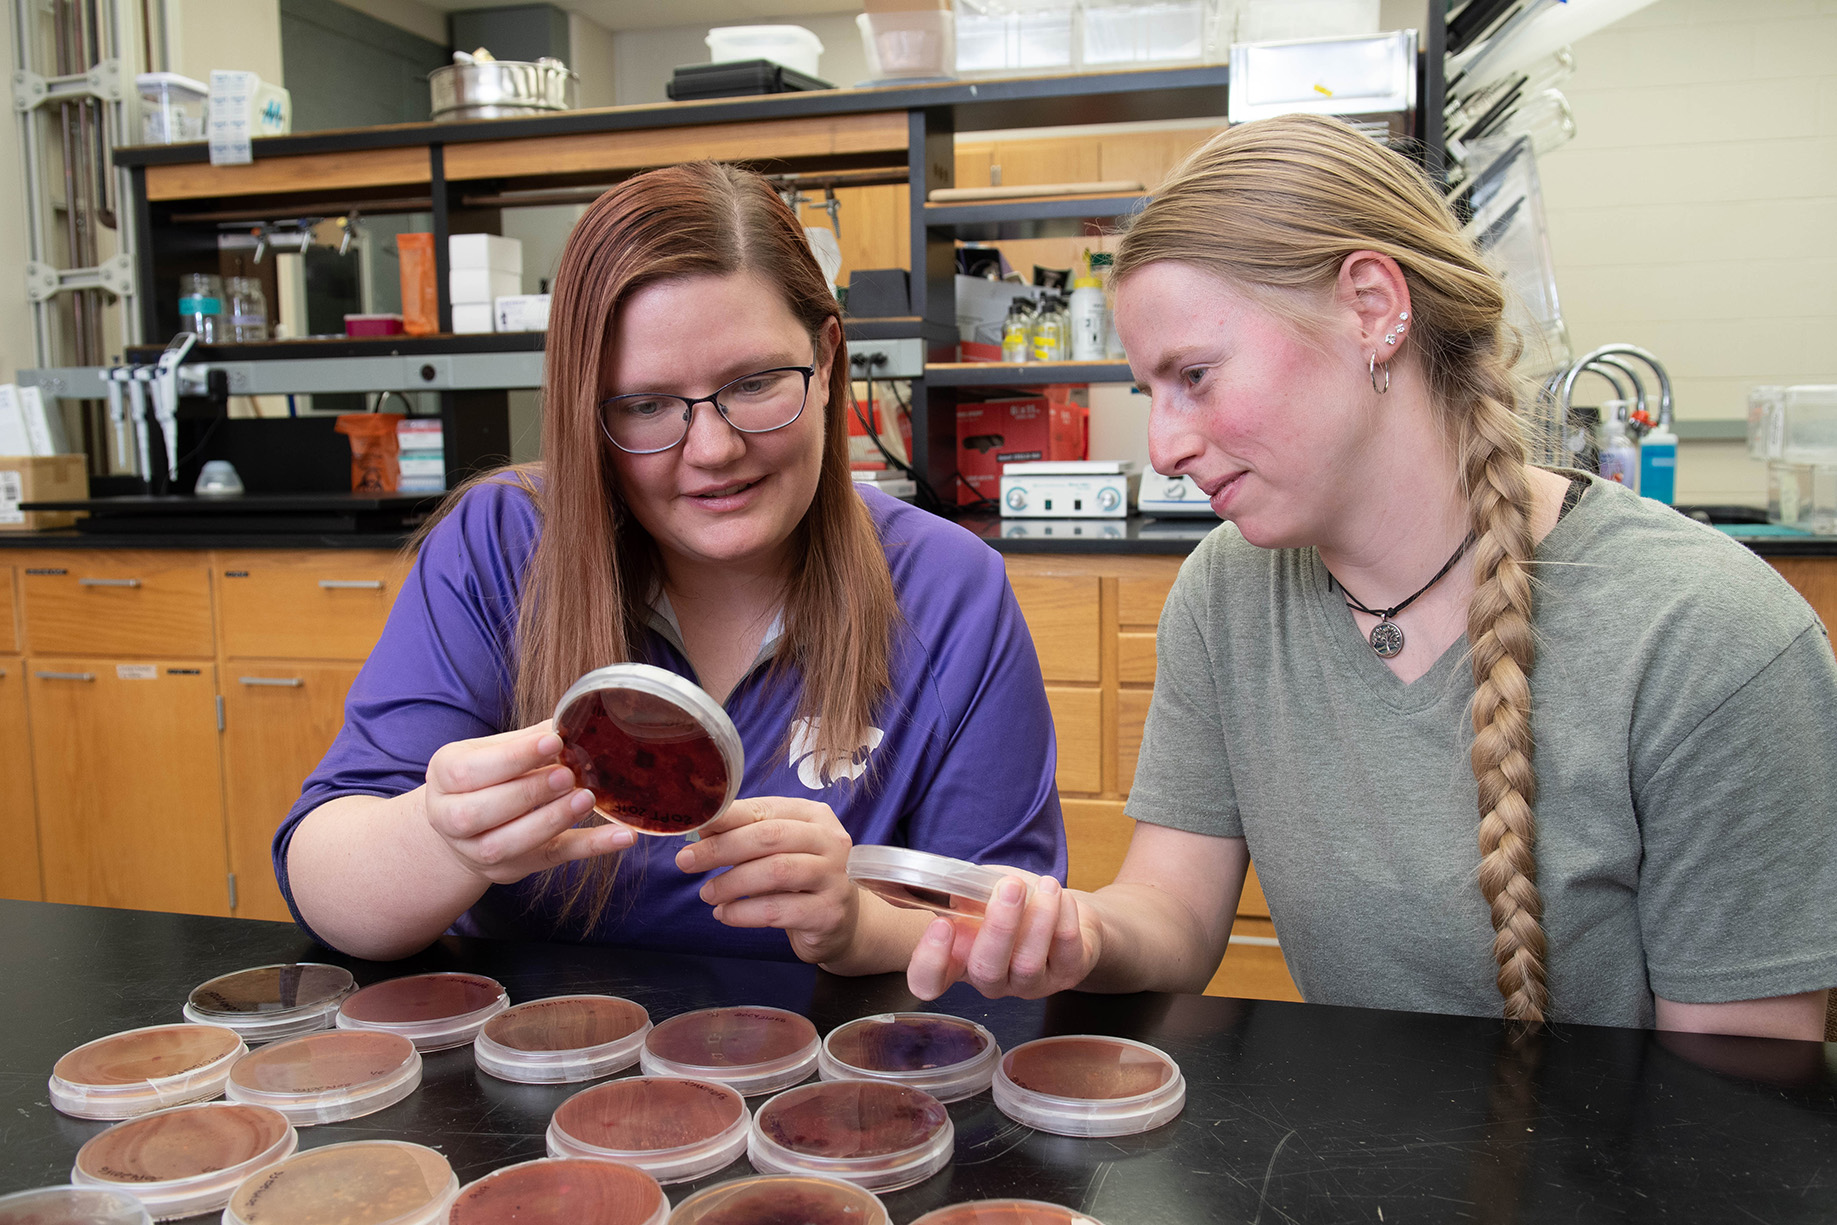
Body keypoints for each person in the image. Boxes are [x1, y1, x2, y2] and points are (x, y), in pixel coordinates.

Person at [907, 114, 1837, 1039]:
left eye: (1195, 374)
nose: (1165, 447)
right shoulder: (1227, 594)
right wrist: (1079, 933)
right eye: (1147, 393)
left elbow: (1733, 1114)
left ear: (1370, 306)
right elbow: (1176, 919)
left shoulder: (1713, 640)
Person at [279, 162, 1065, 969]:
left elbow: (1009, 937)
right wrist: (442, 838)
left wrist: (860, 927)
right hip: (531, 1069)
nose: (714, 450)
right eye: (646, 405)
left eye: (755, 383)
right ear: (588, 409)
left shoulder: (947, 589)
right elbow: (327, 886)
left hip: (834, 1079)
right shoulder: (501, 546)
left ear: (826, 359)